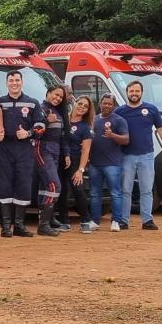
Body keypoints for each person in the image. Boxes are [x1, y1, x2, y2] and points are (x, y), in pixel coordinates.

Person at [114, 80, 162, 231]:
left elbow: (161, 129)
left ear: (142, 92)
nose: (134, 94)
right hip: (126, 156)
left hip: (146, 156)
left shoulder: (151, 109)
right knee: (125, 190)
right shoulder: (120, 112)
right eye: (131, 91)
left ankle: (147, 220)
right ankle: (123, 221)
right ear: (127, 93)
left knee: (147, 190)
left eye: (137, 91)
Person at [0, 71, 45, 237]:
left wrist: (28, 133)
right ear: (6, 83)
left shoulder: (32, 103)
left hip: (24, 149)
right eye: (11, 80)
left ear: (22, 82)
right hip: (5, 148)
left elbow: (41, 126)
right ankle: (5, 226)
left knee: (23, 185)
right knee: (3, 185)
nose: (14, 83)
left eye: (17, 80)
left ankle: (19, 225)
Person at [90, 93, 130, 232]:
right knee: (94, 193)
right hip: (94, 163)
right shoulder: (94, 119)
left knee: (115, 193)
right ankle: (95, 221)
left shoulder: (119, 120)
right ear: (100, 104)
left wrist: (112, 135)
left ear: (114, 105)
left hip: (112, 163)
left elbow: (126, 139)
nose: (106, 105)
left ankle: (116, 221)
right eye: (104, 103)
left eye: (109, 104)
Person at [34, 85, 71, 237]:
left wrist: (66, 154)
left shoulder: (59, 112)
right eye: (55, 95)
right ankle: (43, 225)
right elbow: (35, 132)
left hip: (55, 150)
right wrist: (46, 121)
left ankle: (48, 219)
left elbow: (63, 136)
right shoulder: (40, 109)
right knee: (54, 185)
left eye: (61, 97)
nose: (58, 98)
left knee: (45, 186)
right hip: (42, 148)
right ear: (48, 93)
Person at [63, 96, 95, 233]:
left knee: (78, 189)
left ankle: (85, 220)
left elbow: (86, 150)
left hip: (75, 161)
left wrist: (80, 170)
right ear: (75, 103)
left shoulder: (85, 127)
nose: (82, 107)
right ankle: (64, 221)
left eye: (85, 106)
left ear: (88, 110)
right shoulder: (64, 119)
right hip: (59, 159)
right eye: (80, 103)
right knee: (62, 191)